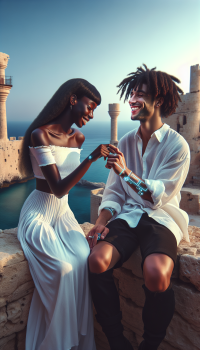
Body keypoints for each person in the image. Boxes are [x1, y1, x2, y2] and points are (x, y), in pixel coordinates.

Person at [87, 65, 190, 350]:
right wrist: (101, 220)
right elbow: (114, 192)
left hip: (162, 219)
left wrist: (124, 171)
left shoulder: (178, 145)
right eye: (131, 93)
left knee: (156, 274)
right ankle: (116, 339)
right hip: (129, 216)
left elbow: (155, 198)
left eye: (140, 94)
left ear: (158, 101)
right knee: (96, 260)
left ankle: (150, 344)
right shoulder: (126, 141)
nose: (132, 99)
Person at [17, 78, 112, 350]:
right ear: (73, 100)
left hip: (64, 215)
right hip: (40, 213)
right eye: (89, 107)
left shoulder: (77, 138)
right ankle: (56, 340)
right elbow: (58, 188)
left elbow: (67, 185)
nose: (91, 115)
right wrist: (91, 159)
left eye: (95, 111)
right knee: (62, 268)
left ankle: (76, 341)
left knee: (83, 259)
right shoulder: (40, 135)